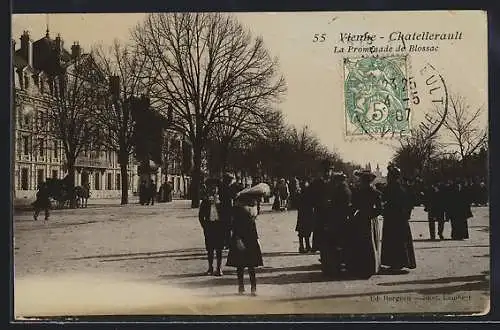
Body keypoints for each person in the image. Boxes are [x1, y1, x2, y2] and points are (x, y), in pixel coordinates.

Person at [226, 186, 267, 296]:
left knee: (251, 264)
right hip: (241, 237)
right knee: (241, 265)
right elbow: (235, 225)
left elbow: (253, 225)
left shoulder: (252, 208)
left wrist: (257, 238)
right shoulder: (238, 208)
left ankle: (252, 288)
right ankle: (242, 287)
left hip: (250, 237)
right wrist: (238, 239)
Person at [380, 165, 416, 273]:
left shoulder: (391, 187)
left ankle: (395, 262)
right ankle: (403, 262)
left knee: (393, 240)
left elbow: (385, 198)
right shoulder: (402, 187)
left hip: (393, 217)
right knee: (401, 240)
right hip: (400, 218)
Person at [347, 170, 382, 278]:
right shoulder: (374, 193)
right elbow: (380, 209)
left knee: (364, 243)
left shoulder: (362, 192)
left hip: (365, 219)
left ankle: (362, 267)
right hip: (368, 219)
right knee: (368, 243)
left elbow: (354, 206)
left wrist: (352, 214)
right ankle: (369, 267)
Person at [319, 171, 352, 275]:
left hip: (337, 219)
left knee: (333, 243)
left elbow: (336, 205)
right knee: (338, 243)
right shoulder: (346, 189)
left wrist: (329, 204)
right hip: (342, 219)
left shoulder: (340, 190)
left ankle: (334, 266)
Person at [198, 179, 225, 276]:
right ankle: (210, 267)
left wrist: (225, 226)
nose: (213, 190)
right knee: (209, 249)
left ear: (218, 189)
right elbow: (200, 215)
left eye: (215, 188)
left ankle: (219, 268)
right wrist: (204, 225)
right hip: (209, 226)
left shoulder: (222, 201)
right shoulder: (205, 201)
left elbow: (227, 214)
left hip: (219, 226)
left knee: (219, 249)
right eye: (212, 188)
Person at [296, 178, 314, 253]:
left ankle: (302, 246)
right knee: (306, 230)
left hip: (302, 214)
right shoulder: (309, 195)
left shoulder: (299, 194)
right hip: (307, 213)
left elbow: (296, 204)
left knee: (302, 230)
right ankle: (306, 246)